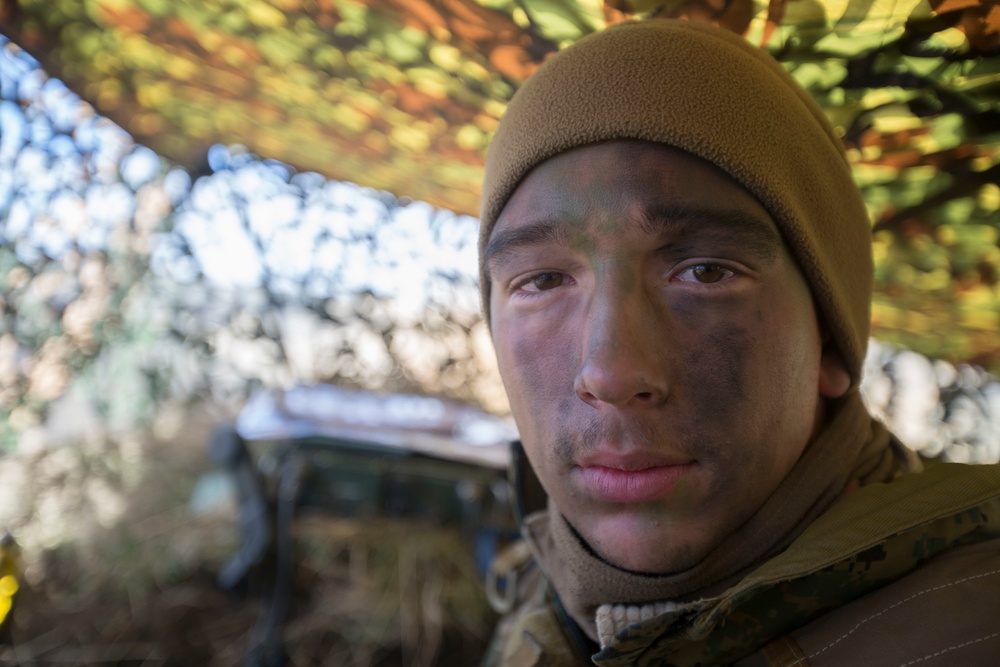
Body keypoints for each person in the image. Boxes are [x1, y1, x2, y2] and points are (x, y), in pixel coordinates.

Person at [476, 18, 1000, 667]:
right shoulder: (543, 588)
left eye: (706, 272)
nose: (610, 370)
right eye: (543, 279)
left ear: (831, 345)